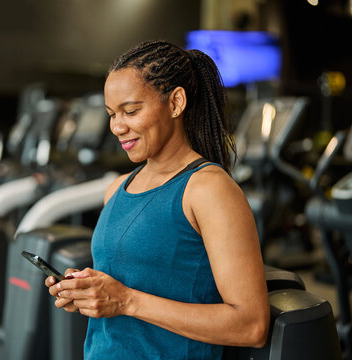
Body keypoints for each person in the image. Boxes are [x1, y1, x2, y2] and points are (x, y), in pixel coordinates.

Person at [46, 40, 270, 359]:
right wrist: (89, 293)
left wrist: (126, 300)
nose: (117, 127)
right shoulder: (118, 188)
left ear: (176, 102)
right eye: (111, 114)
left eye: (131, 111)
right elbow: (133, 286)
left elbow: (251, 326)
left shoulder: (208, 190)